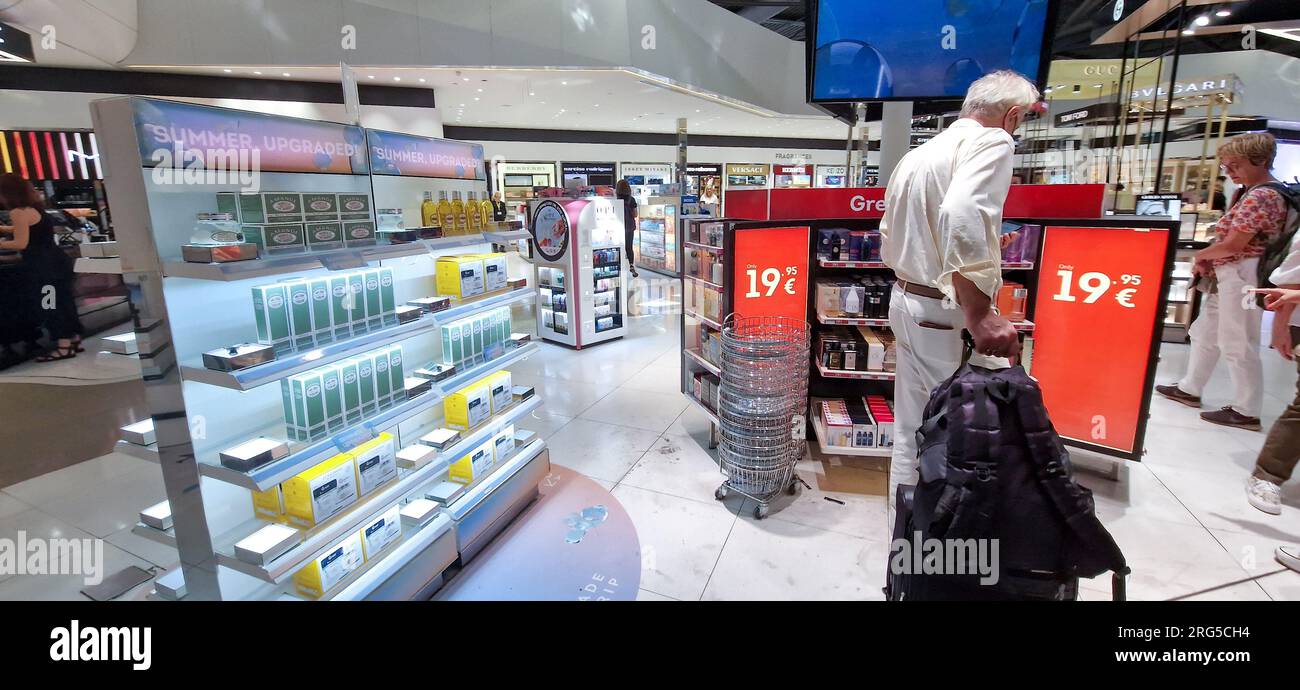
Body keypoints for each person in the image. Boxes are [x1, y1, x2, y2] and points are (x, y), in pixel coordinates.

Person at [879, 70, 1038, 527]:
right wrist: (980, 311)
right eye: (1022, 119)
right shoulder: (994, 142)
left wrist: (973, 252)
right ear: (1012, 115)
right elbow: (962, 211)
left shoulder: (920, 152)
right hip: (944, 312)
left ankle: (906, 522)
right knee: (958, 428)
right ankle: (945, 532)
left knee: (915, 422)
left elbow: (894, 234)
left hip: (907, 299)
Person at [1156, 133, 1287, 430]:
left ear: (1261, 161)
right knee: (1204, 332)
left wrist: (1203, 255)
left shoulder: (1263, 195)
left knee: (1238, 340)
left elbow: (1234, 245)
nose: (1229, 172)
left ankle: (1246, 409)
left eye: (1235, 165)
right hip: (1231, 273)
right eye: (1227, 166)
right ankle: (1190, 387)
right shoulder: (1254, 191)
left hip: (1243, 274)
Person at [0, 173, 83, 361]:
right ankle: (74, 339)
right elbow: (26, 229)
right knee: (64, 302)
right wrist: (5, 230)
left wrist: (2, 244)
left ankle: (63, 346)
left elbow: (21, 242)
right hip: (57, 263)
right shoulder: (34, 208)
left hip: (43, 270)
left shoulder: (17, 212)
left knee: (50, 305)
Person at [615, 179, 639, 278]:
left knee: (618, 247)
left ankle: (618, 267)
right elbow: (635, 214)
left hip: (618, 227)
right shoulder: (631, 199)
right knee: (629, 247)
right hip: (629, 227)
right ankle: (631, 265)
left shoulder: (615, 200)